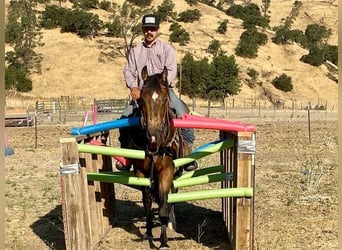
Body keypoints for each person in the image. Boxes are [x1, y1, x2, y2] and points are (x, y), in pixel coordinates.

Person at [116, 13, 197, 171]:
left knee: (183, 114)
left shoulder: (166, 48)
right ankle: (126, 156)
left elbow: (172, 69)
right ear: (143, 30)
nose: (149, 32)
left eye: (152, 29)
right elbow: (128, 71)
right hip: (142, 95)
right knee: (124, 119)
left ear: (158, 30)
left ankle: (187, 154)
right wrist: (133, 87)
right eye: (147, 29)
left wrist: (163, 87)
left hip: (163, 92)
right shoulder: (135, 51)